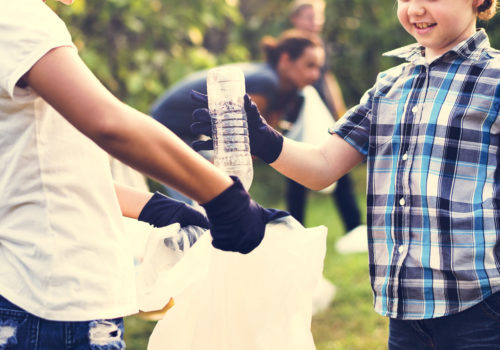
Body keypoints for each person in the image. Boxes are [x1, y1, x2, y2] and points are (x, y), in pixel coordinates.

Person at [191, 0, 500, 348]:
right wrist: (263, 138)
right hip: (404, 316)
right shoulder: (390, 85)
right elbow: (323, 166)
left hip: (480, 310)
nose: (415, 9)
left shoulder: (495, 79)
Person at [0, 0, 287, 348]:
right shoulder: (17, 16)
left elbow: (33, 169)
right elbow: (109, 124)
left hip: (34, 291)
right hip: (52, 298)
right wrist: (226, 198)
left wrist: (157, 207)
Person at [150, 29, 324, 197]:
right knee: (202, 200)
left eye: (318, 68)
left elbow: (260, 142)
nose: (315, 75)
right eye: (309, 65)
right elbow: (241, 143)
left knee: (214, 196)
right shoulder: (267, 82)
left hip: (186, 133)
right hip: (165, 129)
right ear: (285, 59)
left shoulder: (283, 87)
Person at [288, 0, 366, 252]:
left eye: (318, 16)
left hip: (323, 119)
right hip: (300, 120)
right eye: (310, 16)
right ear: (297, 19)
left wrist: (340, 112)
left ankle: (354, 228)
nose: (316, 22)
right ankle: (294, 233)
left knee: (339, 169)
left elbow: (328, 78)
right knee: (296, 175)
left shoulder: (320, 46)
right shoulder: (290, 46)